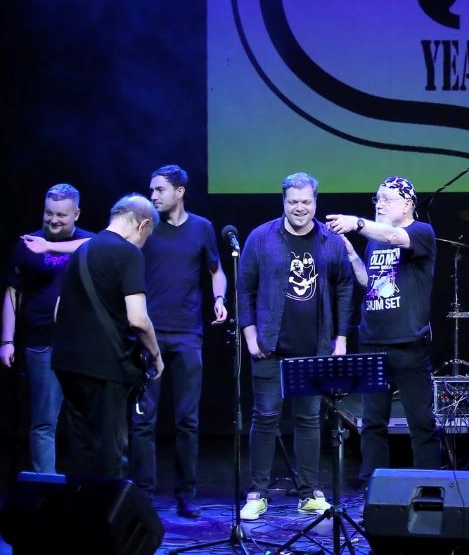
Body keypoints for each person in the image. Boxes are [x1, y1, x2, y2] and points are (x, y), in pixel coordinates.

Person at [237, 173, 353, 520]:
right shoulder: (261, 237)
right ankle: (257, 493)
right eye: (293, 202)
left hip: (314, 349)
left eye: (306, 201)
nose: (299, 208)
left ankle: (309, 493)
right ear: (283, 202)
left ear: (315, 202)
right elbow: (244, 288)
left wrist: (341, 339)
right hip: (270, 347)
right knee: (265, 417)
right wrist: (250, 335)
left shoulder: (330, 240)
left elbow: (345, 287)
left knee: (309, 420)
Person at [126, 165, 228, 518]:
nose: (153, 195)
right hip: (148, 335)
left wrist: (219, 299)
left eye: (160, 189)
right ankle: (143, 493)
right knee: (143, 420)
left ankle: (187, 494)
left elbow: (216, 270)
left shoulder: (201, 227)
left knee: (188, 420)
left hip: (187, 335)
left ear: (179, 191)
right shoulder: (145, 226)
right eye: (151, 189)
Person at [325, 175, 440, 479]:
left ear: (408, 204)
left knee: (421, 422)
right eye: (378, 198)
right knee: (373, 422)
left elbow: (394, 237)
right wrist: (352, 255)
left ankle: (429, 484)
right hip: (372, 341)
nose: (380, 204)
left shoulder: (421, 232)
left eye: (387, 199)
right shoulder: (374, 240)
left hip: (408, 343)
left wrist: (356, 223)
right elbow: (371, 283)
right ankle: (372, 485)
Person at [51, 194, 163, 478]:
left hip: (67, 363)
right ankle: (107, 507)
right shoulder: (128, 253)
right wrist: (156, 355)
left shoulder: (82, 251)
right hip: (105, 367)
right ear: (143, 225)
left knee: (81, 448)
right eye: (147, 236)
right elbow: (138, 319)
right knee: (109, 450)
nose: (144, 243)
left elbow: (58, 311)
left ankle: (80, 504)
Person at [1, 184, 94, 473]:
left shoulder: (90, 244)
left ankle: (88, 487)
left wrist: (51, 247)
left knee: (87, 420)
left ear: (76, 214)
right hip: (41, 344)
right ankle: (46, 488)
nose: (53, 220)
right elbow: (12, 293)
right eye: (48, 213)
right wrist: (6, 341)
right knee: (43, 422)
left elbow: (107, 242)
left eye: (61, 215)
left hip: (81, 346)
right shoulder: (28, 244)